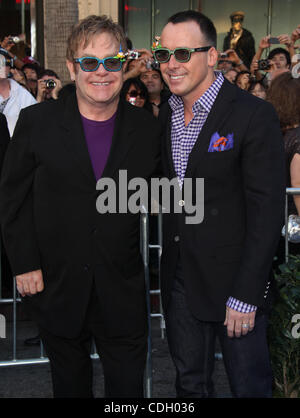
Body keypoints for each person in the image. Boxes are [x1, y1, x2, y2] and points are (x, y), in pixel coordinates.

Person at [0, 14, 161, 398]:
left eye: (111, 61)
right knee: (69, 386)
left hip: (121, 289)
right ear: (73, 67)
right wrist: (24, 263)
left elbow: (164, 196)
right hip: (57, 285)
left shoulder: (147, 129)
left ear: (124, 65)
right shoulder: (36, 122)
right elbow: (12, 198)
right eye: (89, 62)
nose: (101, 72)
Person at [155, 10, 285, 398]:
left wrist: (247, 293)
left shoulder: (253, 114)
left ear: (211, 56)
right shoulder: (168, 114)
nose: (172, 65)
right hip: (181, 281)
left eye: (183, 54)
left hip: (236, 285)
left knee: (249, 387)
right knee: (190, 385)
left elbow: (266, 213)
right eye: (165, 55)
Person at [267, 72, 300, 267]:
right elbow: (297, 185)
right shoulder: (297, 137)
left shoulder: (274, 133)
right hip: (293, 226)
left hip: (276, 223)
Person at [0, 48, 36, 136]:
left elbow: (35, 120)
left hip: (16, 145)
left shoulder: (22, 94)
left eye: (6, 63)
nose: (2, 67)